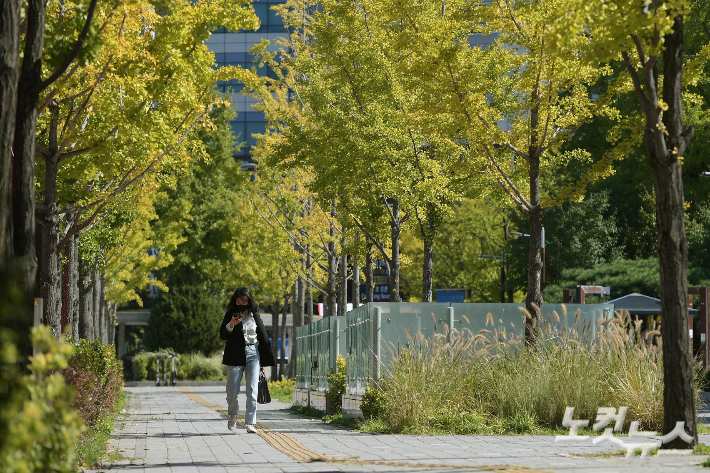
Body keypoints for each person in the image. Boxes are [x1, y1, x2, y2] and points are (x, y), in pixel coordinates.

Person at [220, 287, 276, 433]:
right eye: (238, 302)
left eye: (243, 301)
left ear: (248, 301)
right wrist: (231, 324)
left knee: (252, 390)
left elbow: (263, 338)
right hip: (235, 355)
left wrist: (263, 361)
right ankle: (233, 415)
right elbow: (222, 335)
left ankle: (250, 423)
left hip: (253, 353)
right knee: (232, 391)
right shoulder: (230, 315)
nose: (241, 304)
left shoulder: (255, 315)